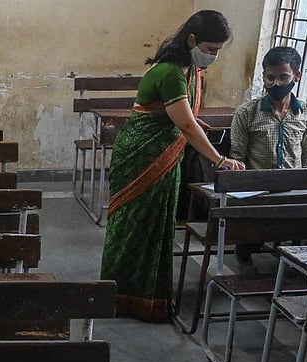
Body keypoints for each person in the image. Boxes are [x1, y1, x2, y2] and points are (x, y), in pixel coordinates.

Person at [99, 10, 245, 322]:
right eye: (210, 50)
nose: (213, 57)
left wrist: (193, 123)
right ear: (191, 40)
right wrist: (220, 160)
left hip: (165, 155)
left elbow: (185, 119)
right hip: (142, 157)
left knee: (156, 227)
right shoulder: (171, 73)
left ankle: (146, 297)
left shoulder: (190, 70)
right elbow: (188, 128)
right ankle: (118, 296)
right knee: (133, 228)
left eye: (218, 51)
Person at [230, 46, 307, 274]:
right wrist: (243, 186)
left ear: (296, 76)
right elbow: (237, 156)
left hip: (293, 188)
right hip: (258, 190)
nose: (276, 84)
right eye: (270, 78)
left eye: (283, 77)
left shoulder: (305, 112)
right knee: (255, 231)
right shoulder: (246, 113)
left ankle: (296, 259)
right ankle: (246, 253)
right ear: (264, 77)